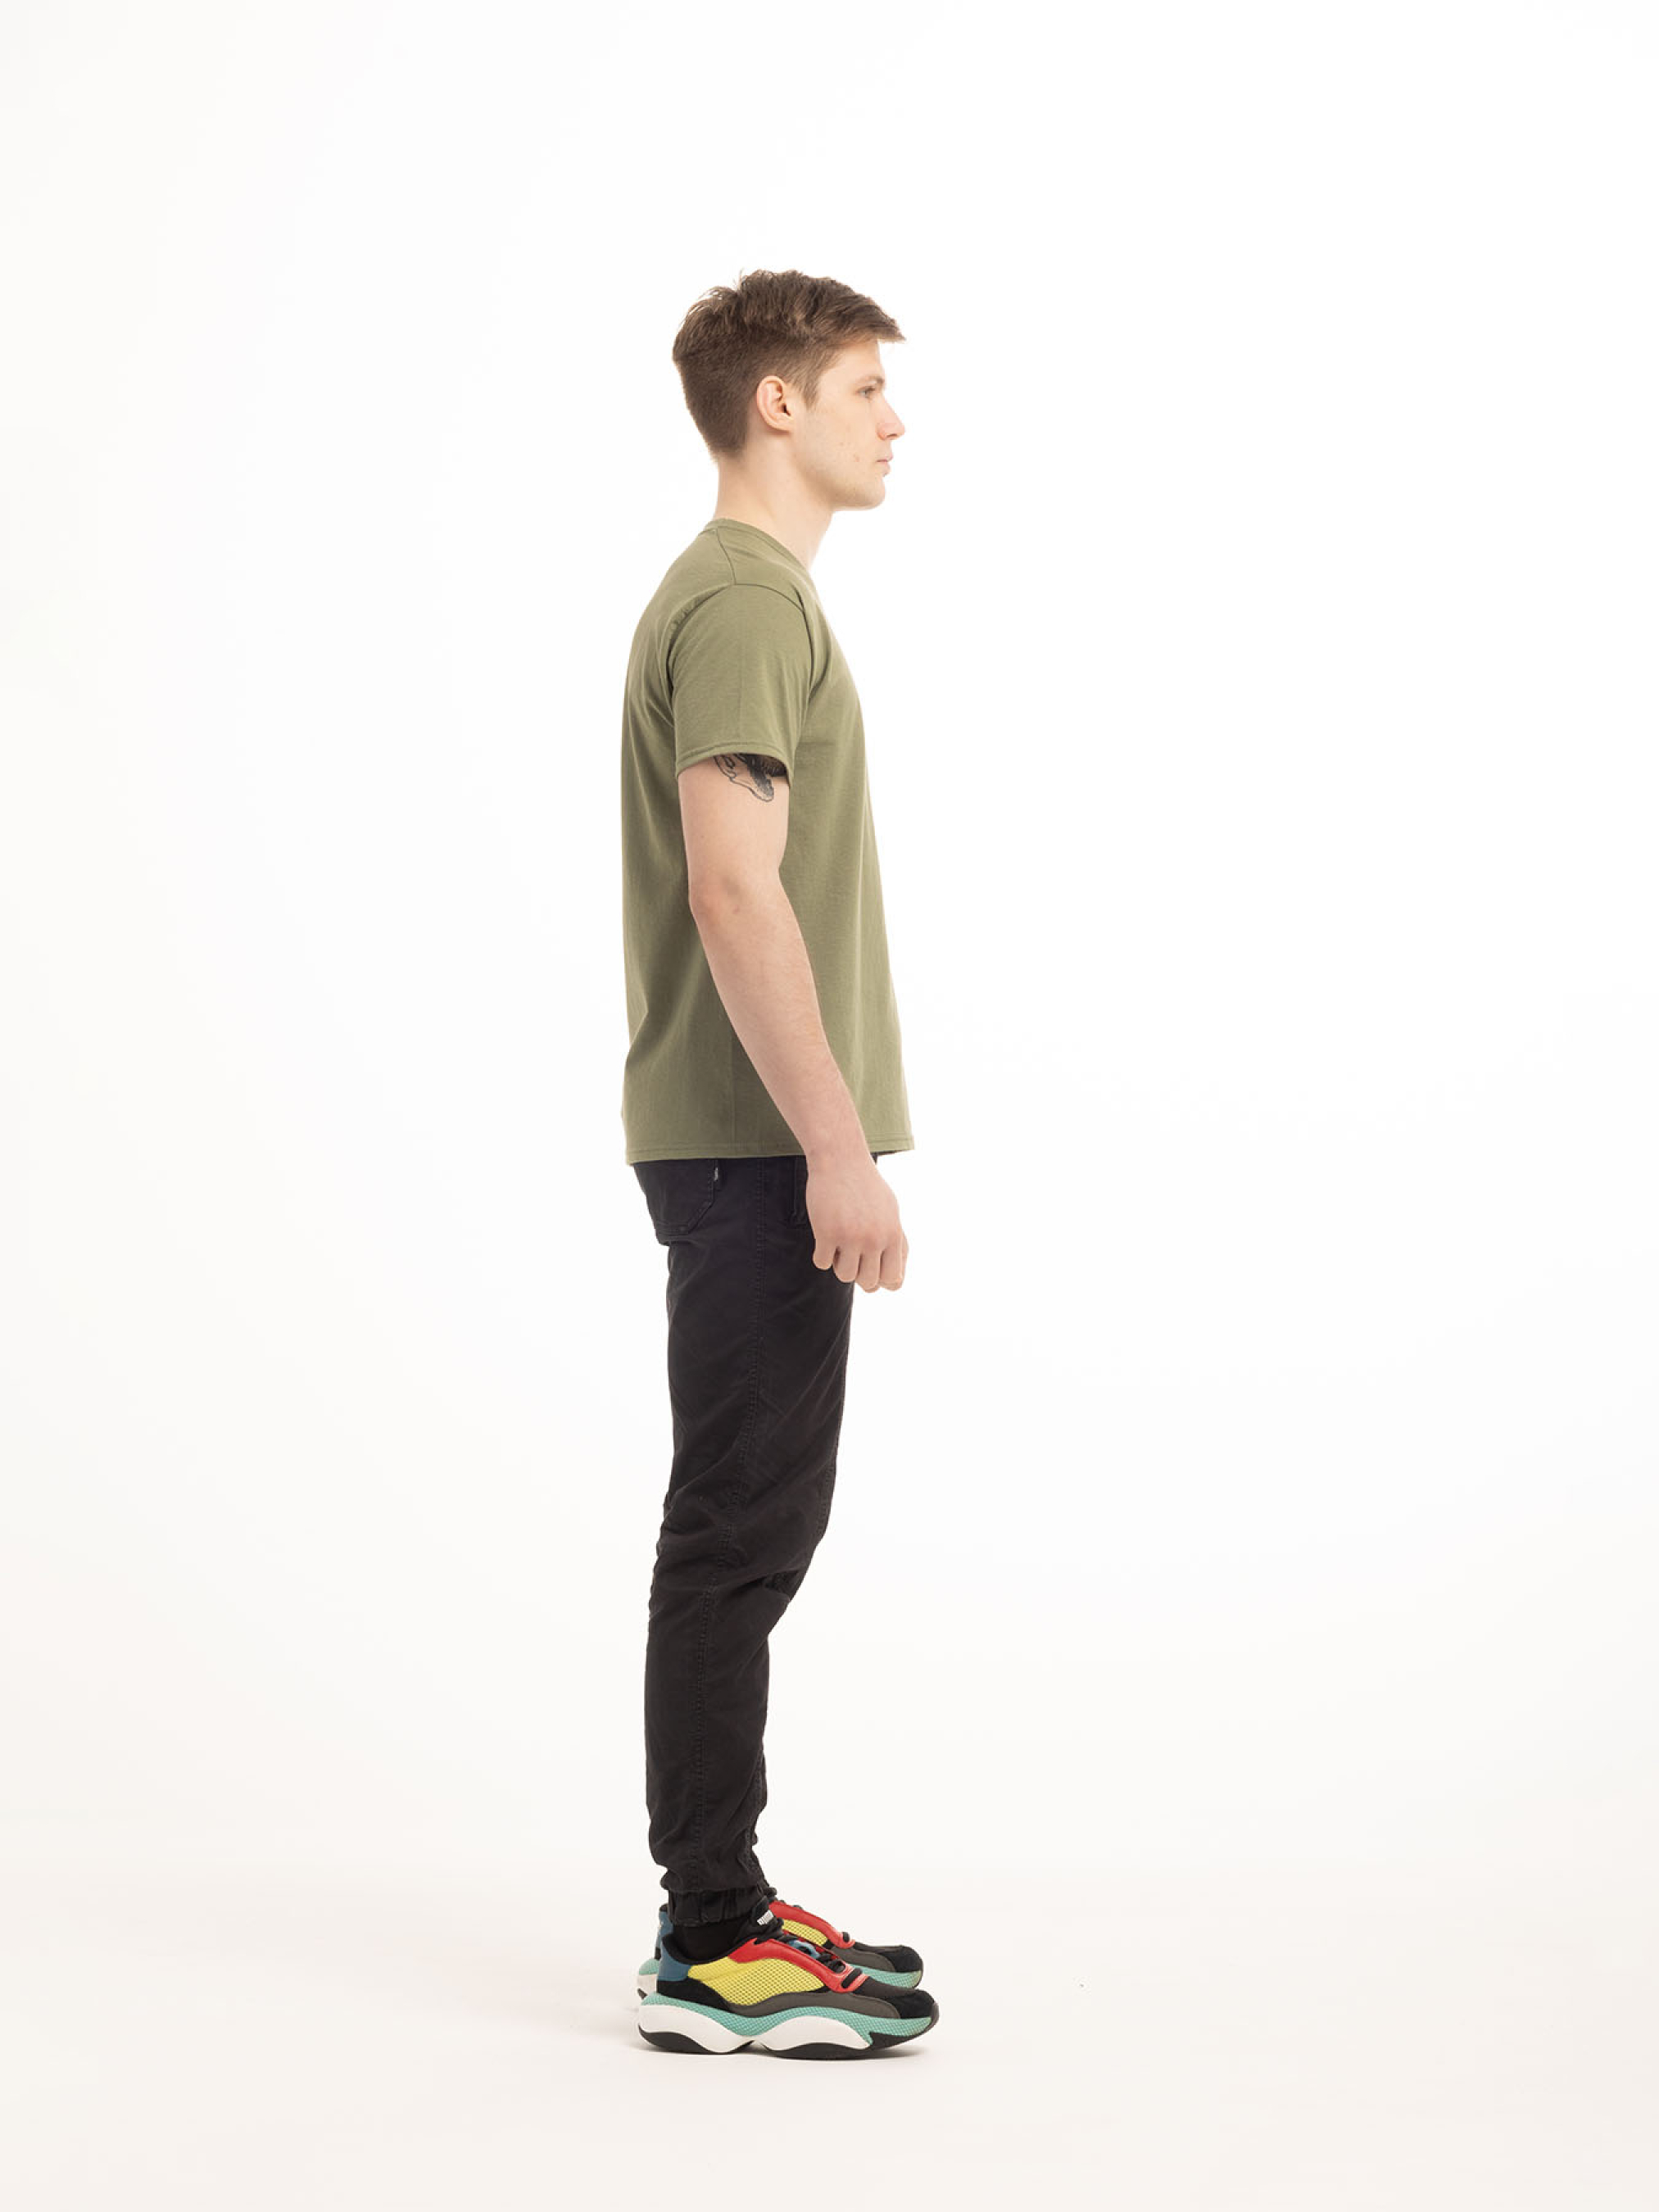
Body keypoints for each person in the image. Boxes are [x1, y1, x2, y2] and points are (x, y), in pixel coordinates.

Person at [617, 270, 938, 2057]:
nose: (893, 419)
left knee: (752, 1530)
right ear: (778, 406)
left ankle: (725, 1907)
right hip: (754, 1149)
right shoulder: (742, 599)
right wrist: (834, 1150)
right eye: (865, 386)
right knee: (734, 1540)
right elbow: (733, 890)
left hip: (745, 1146)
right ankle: (709, 1941)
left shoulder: (753, 596)